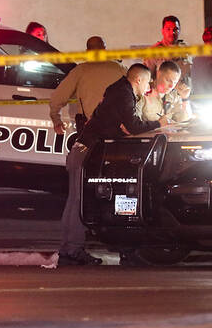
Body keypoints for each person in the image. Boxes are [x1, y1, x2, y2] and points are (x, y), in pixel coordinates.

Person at [57, 64, 168, 267]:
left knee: (75, 201)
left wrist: (128, 128)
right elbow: (133, 125)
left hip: (83, 150)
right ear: (139, 80)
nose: (148, 87)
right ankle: (71, 251)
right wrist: (159, 123)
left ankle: (69, 249)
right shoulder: (123, 94)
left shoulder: (118, 90)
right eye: (147, 82)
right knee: (78, 202)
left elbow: (127, 126)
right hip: (86, 152)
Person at [49, 36, 125, 135]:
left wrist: (56, 120)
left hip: (89, 128)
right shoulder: (120, 69)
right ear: (105, 50)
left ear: (87, 52)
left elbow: (57, 98)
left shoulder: (80, 71)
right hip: (117, 129)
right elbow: (137, 92)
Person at [146, 15, 192, 97]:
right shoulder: (153, 52)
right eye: (168, 29)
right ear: (162, 31)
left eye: (176, 29)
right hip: (163, 99)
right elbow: (147, 79)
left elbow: (192, 73)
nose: (172, 32)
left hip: (183, 97)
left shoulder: (186, 50)